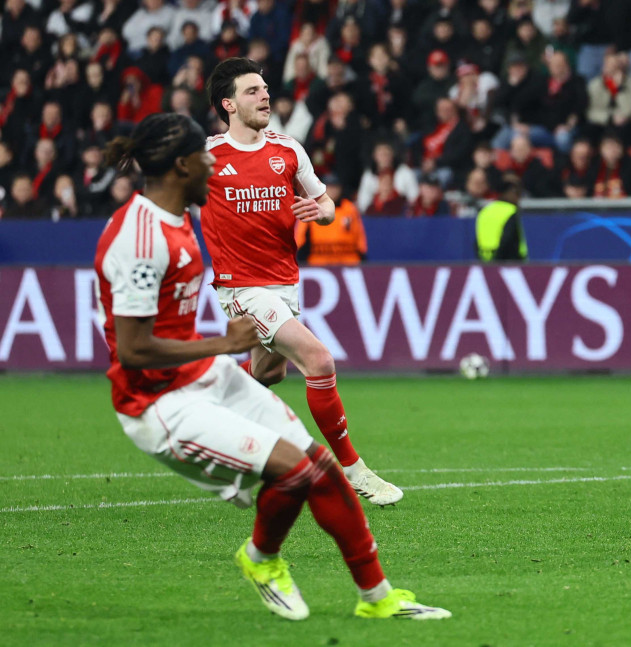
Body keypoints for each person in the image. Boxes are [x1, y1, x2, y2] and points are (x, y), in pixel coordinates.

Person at [94, 112, 450, 621]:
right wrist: (223, 343)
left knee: (320, 468)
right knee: (295, 471)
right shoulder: (140, 238)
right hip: (155, 402)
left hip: (201, 376)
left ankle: (379, 598)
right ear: (181, 166)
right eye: (203, 159)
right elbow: (131, 351)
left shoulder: (176, 218)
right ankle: (261, 558)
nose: (214, 165)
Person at [202, 58, 402, 505]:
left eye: (265, 88)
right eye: (253, 91)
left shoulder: (288, 149)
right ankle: (354, 471)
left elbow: (325, 203)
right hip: (240, 287)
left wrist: (321, 212)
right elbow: (168, 197)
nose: (265, 96)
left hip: (283, 281)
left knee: (268, 373)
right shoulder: (207, 157)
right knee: (319, 360)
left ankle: (210, 403)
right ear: (228, 104)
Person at [476, 176, 528, 262]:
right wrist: (497, 261)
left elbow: (477, 240)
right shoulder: (511, 211)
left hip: (485, 259)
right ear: (510, 193)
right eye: (517, 194)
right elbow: (507, 238)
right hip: (508, 261)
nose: (518, 199)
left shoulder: (485, 210)